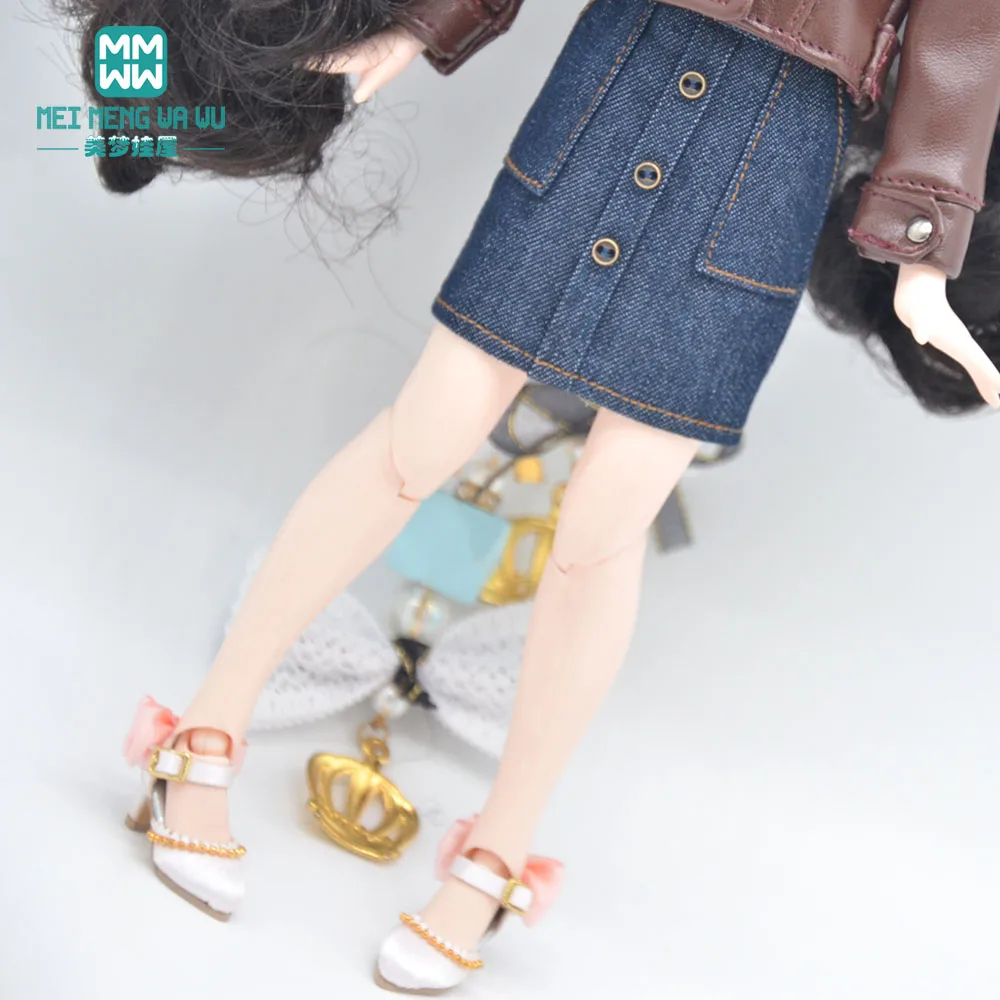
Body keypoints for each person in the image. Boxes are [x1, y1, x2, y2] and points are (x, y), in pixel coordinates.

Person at [70, 0, 1000, 993]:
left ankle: (494, 857)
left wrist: (922, 249)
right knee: (416, 440)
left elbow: (962, 31)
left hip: (772, 167)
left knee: (604, 532)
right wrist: (426, 22)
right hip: (623, 79)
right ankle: (201, 738)